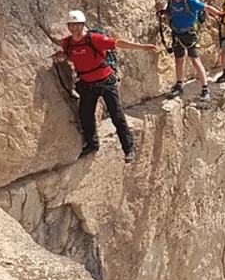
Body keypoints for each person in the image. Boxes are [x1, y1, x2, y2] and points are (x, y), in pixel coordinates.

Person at [53, 10, 159, 164]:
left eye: (77, 25)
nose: (74, 28)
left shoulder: (94, 39)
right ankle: (92, 144)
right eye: (71, 25)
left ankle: (128, 149)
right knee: (85, 115)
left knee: (117, 115)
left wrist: (142, 47)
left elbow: (117, 43)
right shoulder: (67, 43)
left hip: (105, 81)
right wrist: (62, 56)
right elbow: (74, 55)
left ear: (83, 25)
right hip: (87, 83)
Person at [158, 0, 224, 101]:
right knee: (179, 60)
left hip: (190, 34)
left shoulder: (190, 0)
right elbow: (171, 13)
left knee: (195, 61)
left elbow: (206, 8)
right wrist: (163, 12)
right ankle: (179, 85)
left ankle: (205, 89)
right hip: (177, 34)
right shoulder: (171, 1)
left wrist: (220, 14)